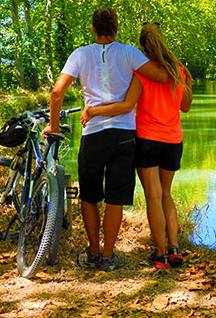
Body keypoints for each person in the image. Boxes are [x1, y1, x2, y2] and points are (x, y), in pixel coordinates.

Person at [42, 8, 167, 271]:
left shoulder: (80, 54)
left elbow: (56, 92)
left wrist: (54, 127)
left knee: (89, 196)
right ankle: (109, 256)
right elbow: (162, 76)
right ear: (117, 28)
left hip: (93, 134)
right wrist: (141, 69)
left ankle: (94, 252)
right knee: (115, 198)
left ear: (92, 28)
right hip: (123, 135)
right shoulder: (130, 53)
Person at [80, 22, 192, 269]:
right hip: (173, 140)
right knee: (166, 195)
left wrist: (93, 111)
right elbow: (185, 106)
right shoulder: (179, 71)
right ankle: (175, 249)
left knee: (153, 196)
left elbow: (127, 105)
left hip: (148, 139)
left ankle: (161, 254)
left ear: (143, 46)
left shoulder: (141, 74)